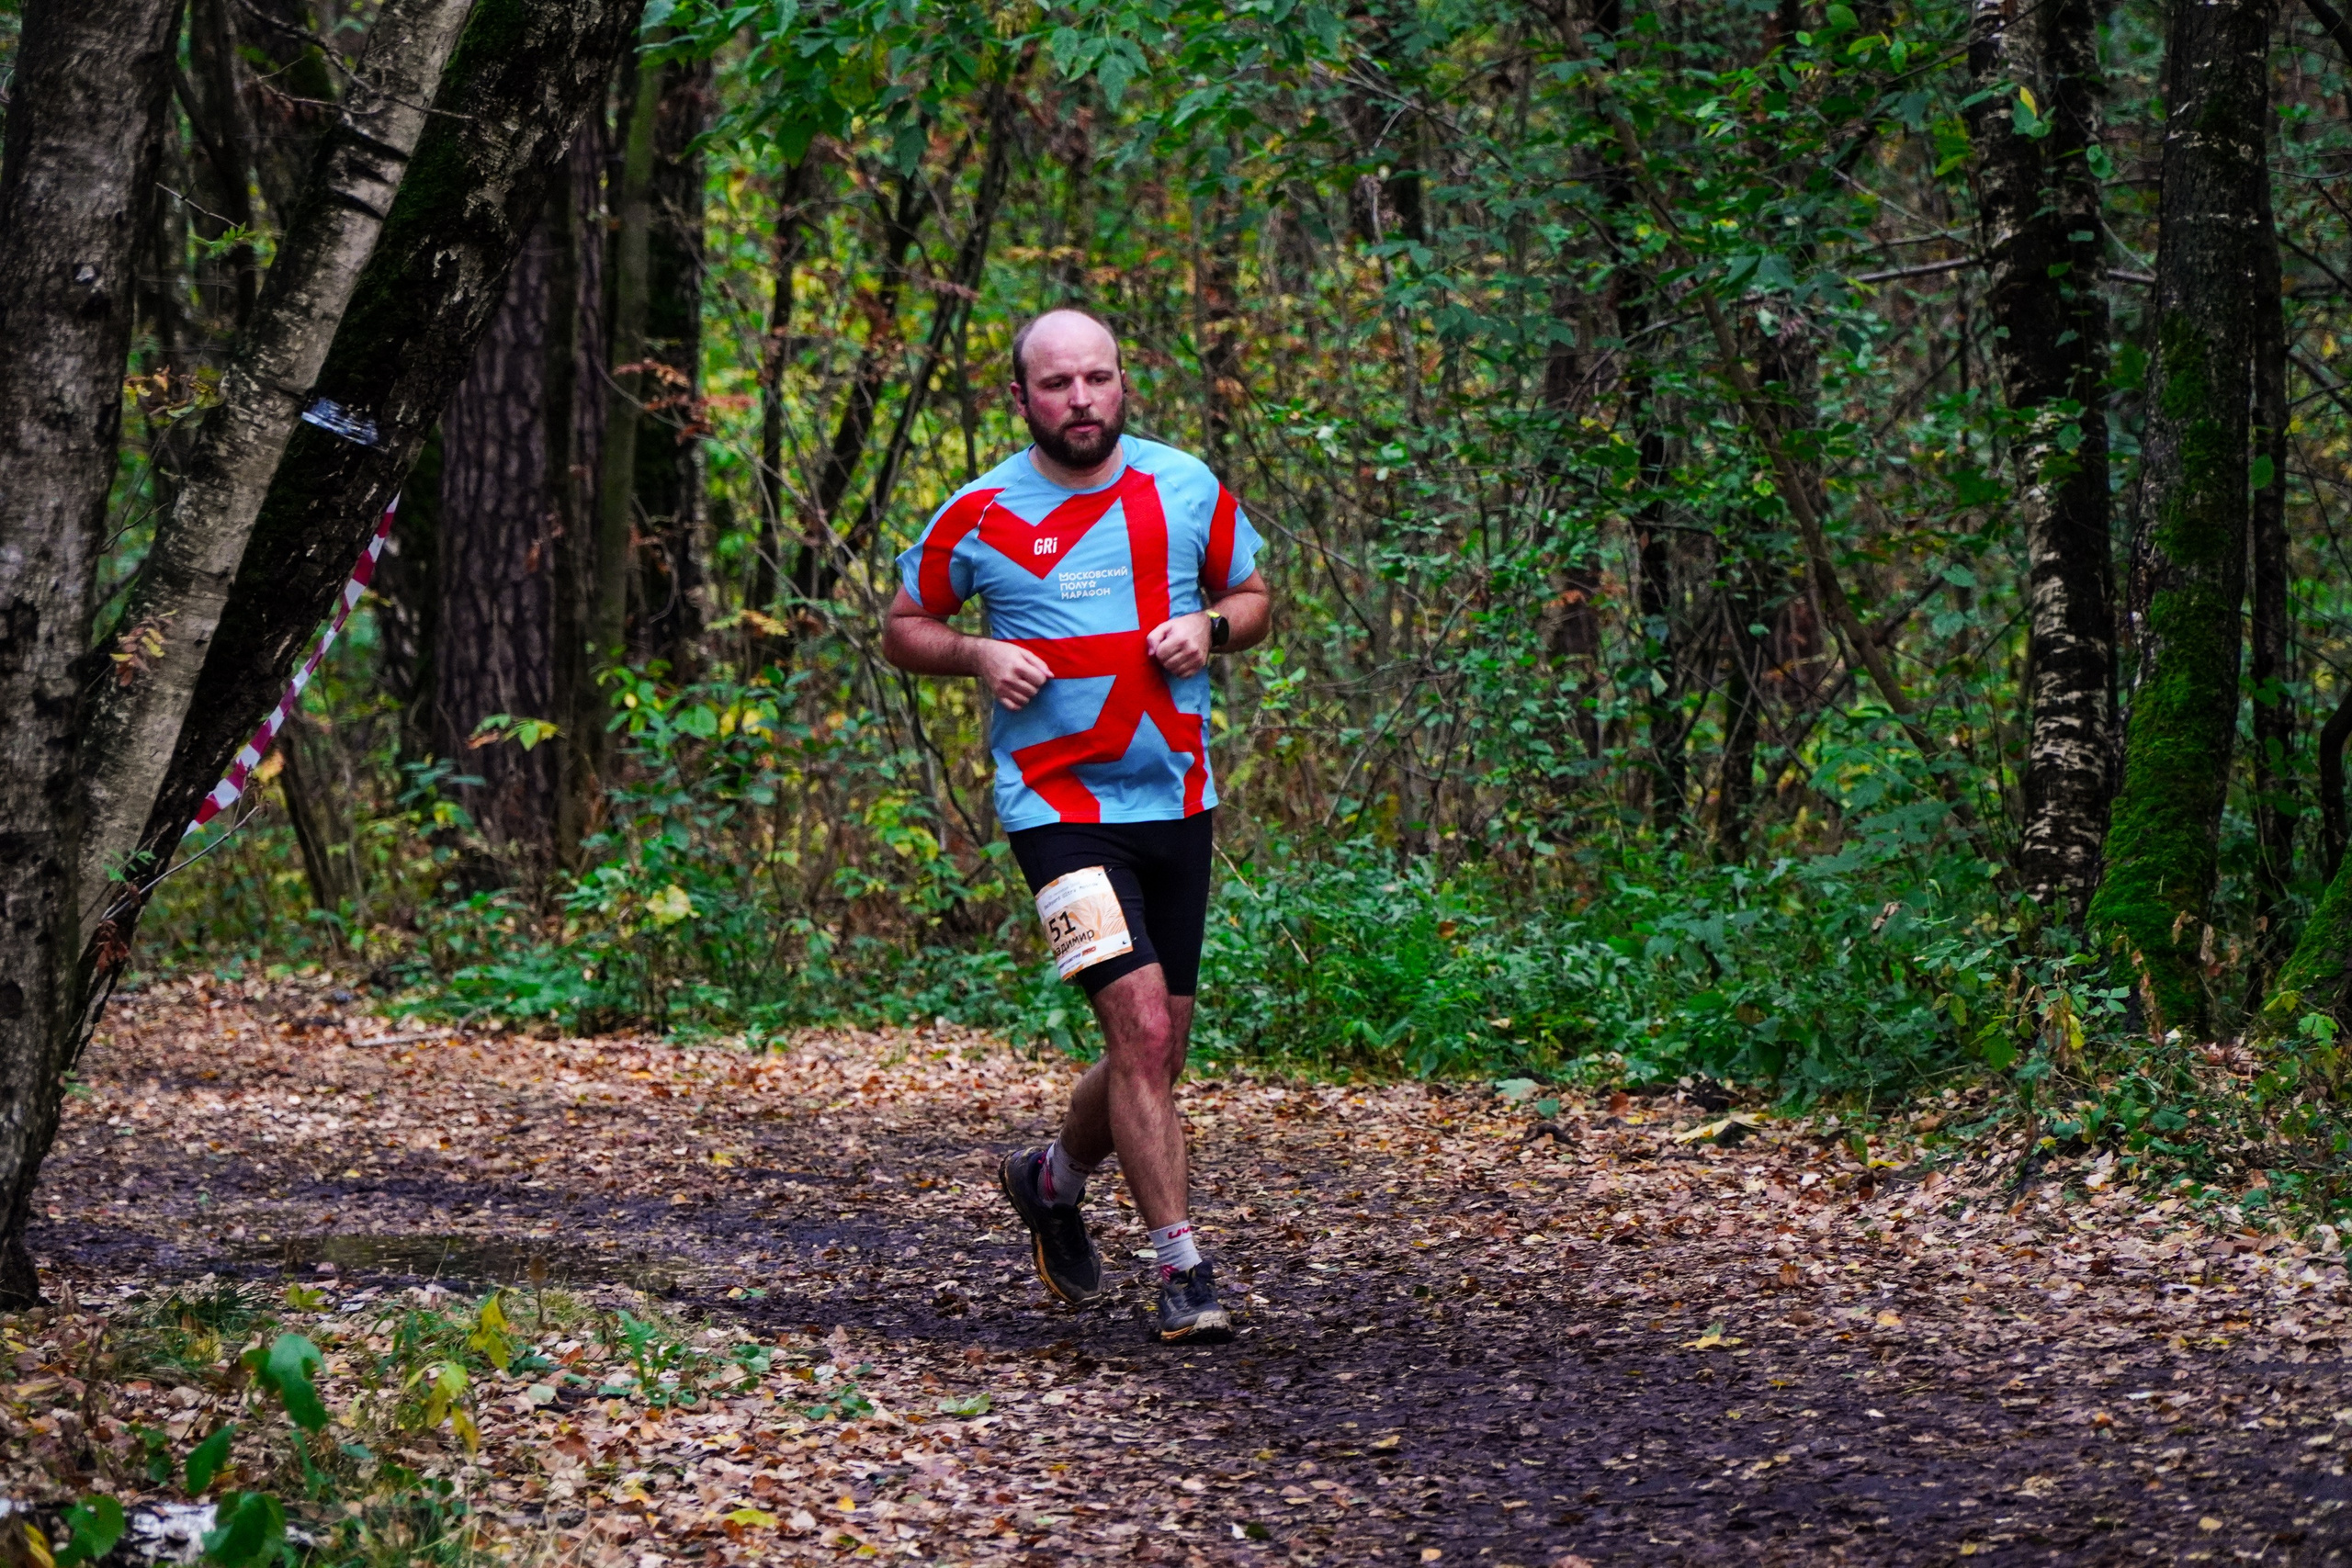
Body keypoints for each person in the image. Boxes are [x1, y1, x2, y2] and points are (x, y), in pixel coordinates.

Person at [882, 308, 1271, 1344]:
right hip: (1054, 815)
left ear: (1121, 381)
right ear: (1021, 398)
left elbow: (1254, 592)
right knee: (1137, 1030)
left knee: (1161, 1050)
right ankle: (1184, 1271)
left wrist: (1212, 626)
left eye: (1097, 378)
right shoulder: (977, 513)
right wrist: (975, 655)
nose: (1081, 400)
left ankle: (1051, 1180)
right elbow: (902, 629)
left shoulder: (1182, 485)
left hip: (1177, 800)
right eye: (1056, 385)